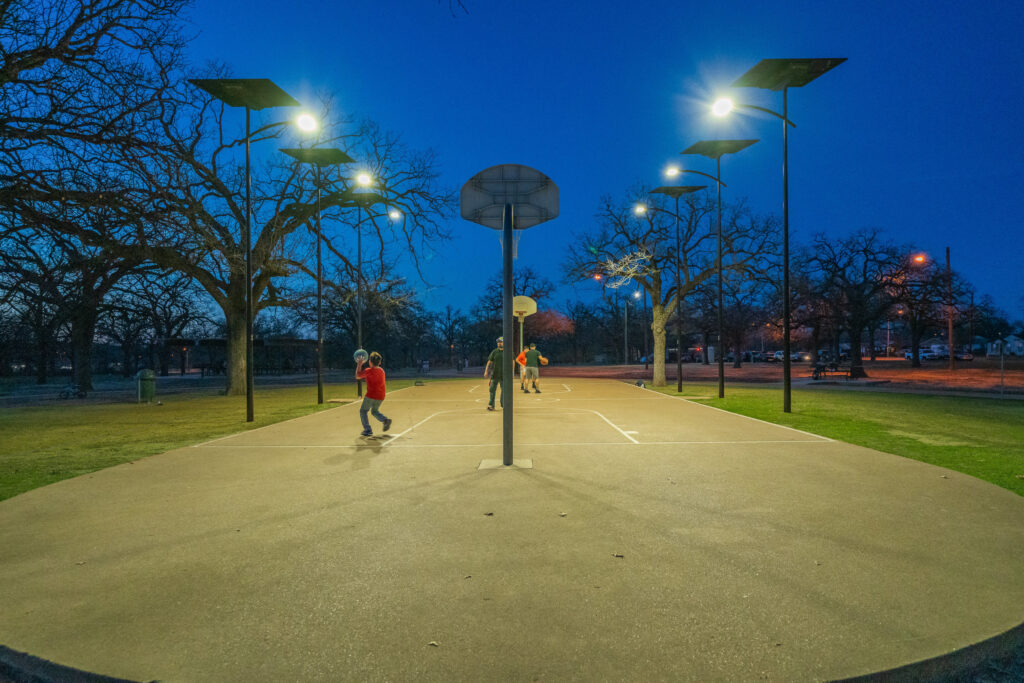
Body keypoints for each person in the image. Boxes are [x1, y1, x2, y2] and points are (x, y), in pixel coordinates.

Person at [355, 351, 392, 437]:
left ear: (370, 362)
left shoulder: (368, 371)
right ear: (379, 362)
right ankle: (385, 420)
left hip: (371, 395)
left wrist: (359, 364)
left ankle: (367, 429)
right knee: (374, 411)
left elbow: (357, 376)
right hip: (381, 396)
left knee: (363, 411)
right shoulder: (382, 371)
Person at [484, 336, 505, 411]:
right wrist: (486, 371)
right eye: (498, 342)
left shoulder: (508, 352)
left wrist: (512, 372)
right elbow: (489, 362)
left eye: (501, 342)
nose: (499, 343)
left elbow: (512, 362)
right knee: (492, 390)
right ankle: (491, 405)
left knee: (505, 390)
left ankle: (504, 404)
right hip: (495, 375)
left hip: (504, 375)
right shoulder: (494, 352)